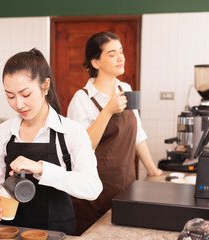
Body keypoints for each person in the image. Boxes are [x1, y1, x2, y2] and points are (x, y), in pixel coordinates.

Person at [0, 48, 103, 235]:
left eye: (26, 94)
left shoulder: (71, 131)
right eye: (10, 96)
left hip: (56, 232)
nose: (19, 104)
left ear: (45, 86)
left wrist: (41, 169)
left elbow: (92, 187)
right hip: (10, 231)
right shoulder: (4, 132)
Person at [67, 32, 163, 235]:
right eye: (112, 54)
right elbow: (81, 147)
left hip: (126, 187)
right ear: (95, 62)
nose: (121, 58)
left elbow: (138, 135)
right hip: (93, 195)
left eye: (121, 52)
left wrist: (153, 171)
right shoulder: (81, 99)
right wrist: (108, 111)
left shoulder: (125, 89)